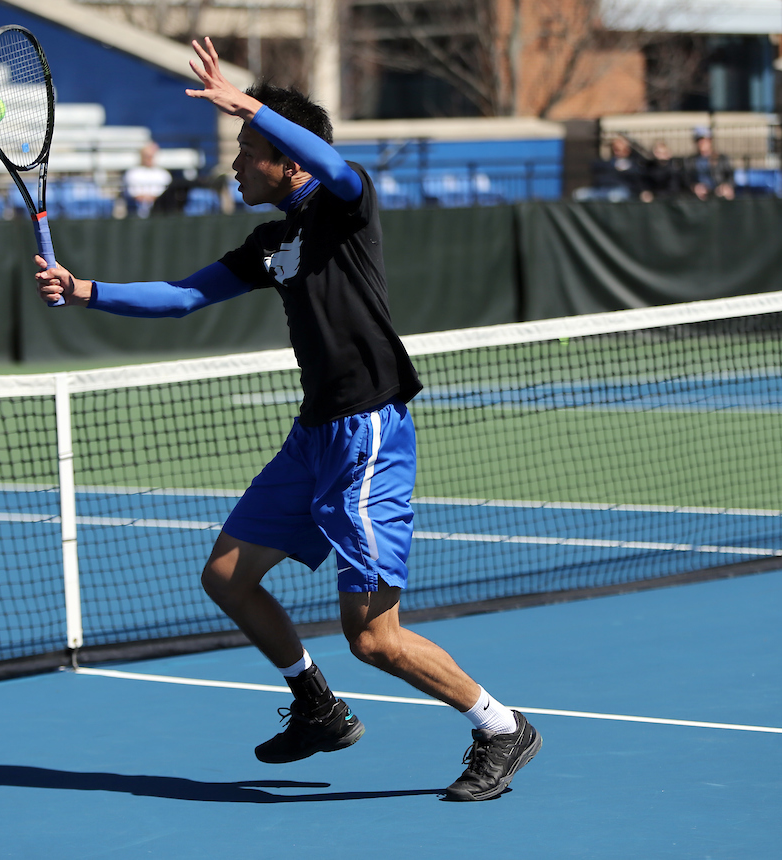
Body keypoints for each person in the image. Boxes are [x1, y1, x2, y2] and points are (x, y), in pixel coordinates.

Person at [34, 37, 541, 802]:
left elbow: (338, 166)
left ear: (289, 161)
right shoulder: (272, 241)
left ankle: (501, 728)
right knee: (228, 577)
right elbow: (181, 296)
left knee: (374, 636)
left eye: (248, 151)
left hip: (367, 432)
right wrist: (84, 289)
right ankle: (317, 706)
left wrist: (252, 104)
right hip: (313, 434)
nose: (235, 165)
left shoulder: (343, 205)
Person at [122, 141, 173, 217]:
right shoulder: (132, 173)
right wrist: (146, 198)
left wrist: (154, 198)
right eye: (146, 156)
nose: (149, 159)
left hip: (159, 207)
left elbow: (166, 193)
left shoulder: (164, 174)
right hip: (137, 207)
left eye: (151, 156)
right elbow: (132, 193)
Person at [686, 128, 735, 201]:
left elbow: (730, 176)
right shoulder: (691, 160)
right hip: (699, 196)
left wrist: (726, 186)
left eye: (705, 140)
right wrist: (695, 187)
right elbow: (687, 179)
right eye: (699, 140)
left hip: (718, 193)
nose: (702, 143)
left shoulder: (721, 159)